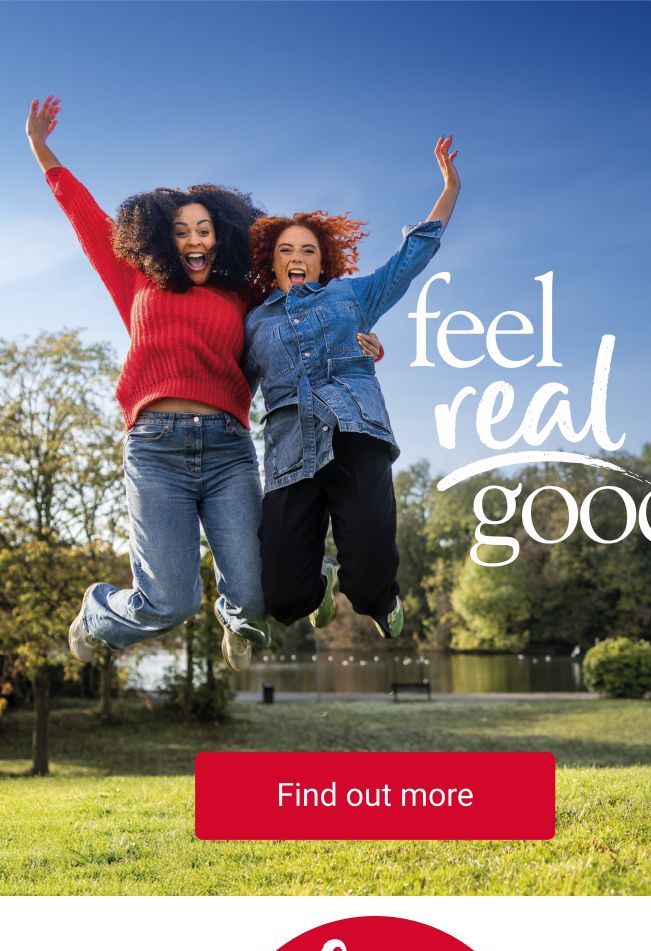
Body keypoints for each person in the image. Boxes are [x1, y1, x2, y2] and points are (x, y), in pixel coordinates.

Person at [25, 95, 383, 672]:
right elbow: (85, 218)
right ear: (164, 238)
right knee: (168, 602)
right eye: (182, 231)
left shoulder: (244, 295)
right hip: (156, 449)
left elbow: (310, 317)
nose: (195, 240)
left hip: (228, 452)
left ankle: (242, 621)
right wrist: (43, 150)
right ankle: (98, 613)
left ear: (222, 237)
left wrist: (361, 345)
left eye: (206, 230)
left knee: (256, 594)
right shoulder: (135, 281)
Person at [244, 135, 460, 639]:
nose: (297, 257)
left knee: (367, 586)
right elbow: (230, 381)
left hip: (354, 430)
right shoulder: (253, 322)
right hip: (289, 450)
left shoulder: (352, 295)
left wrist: (448, 191)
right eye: (286, 250)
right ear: (273, 262)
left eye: (308, 250)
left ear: (323, 262)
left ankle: (380, 597)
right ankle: (319, 581)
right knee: (282, 599)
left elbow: (410, 260)